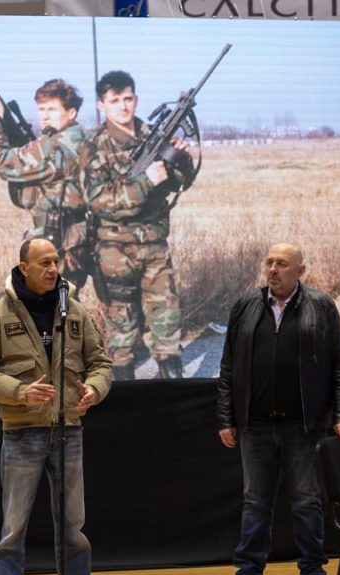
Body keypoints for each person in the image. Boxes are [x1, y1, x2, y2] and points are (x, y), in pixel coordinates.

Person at [0, 237, 114, 575]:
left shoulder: (74, 310)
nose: (53, 269)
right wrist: (20, 392)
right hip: (22, 434)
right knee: (13, 530)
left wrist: (95, 389)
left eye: (56, 262)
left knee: (73, 528)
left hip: (69, 431)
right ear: (23, 268)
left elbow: (101, 363)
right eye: (44, 263)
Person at [216, 243, 340, 575]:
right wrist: (226, 417)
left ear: (300, 271)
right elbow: (228, 366)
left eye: (282, 263)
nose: (273, 269)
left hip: (302, 426)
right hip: (255, 425)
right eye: (270, 262)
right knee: (255, 503)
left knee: (307, 502)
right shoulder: (246, 306)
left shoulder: (321, 306)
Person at [79, 70, 190, 380]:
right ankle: (126, 387)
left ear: (136, 100)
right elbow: (97, 200)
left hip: (154, 243)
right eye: (114, 100)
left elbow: (177, 183)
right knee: (121, 324)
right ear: (101, 104)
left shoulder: (153, 136)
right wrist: (145, 182)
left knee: (166, 318)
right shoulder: (94, 146)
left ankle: (173, 384)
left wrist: (179, 160)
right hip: (115, 248)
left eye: (127, 99)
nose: (123, 106)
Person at [0, 79, 90, 286]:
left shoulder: (55, 148)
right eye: (41, 109)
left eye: (52, 109)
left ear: (71, 113)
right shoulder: (74, 139)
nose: (45, 116)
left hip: (60, 244)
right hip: (70, 241)